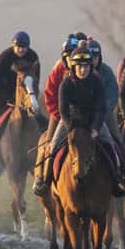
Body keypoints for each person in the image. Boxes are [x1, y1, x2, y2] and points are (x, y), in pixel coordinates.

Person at [32, 34, 79, 195]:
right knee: (49, 145)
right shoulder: (58, 69)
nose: (72, 57)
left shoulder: (85, 69)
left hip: (83, 118)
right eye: (69, 54)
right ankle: (42, 179)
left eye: (74, 53)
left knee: (107, 141)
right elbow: (49, 96)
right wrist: (60, 114)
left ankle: (118, 174)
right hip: (59, 115)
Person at [86, 37, 125, 190]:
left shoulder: (106, 71)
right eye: (90, 57)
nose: (93, 60)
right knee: (57, 142)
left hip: (105, 114)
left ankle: (124, 171)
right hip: (83, 117)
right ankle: (45, 176)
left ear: (100, 57)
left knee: (116, 139)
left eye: (96, 57)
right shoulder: (78, 72)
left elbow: (113, 94)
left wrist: (103, 111)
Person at [0, 31, 42, 133]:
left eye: (24, 47)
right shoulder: (4, 57)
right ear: (13, 45)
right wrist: (9, 97)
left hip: (26, 92)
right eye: (18, 46)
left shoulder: (33, 57)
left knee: (39, 114)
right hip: (4, 93)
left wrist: (32, 95)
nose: (21, 49)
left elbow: (36, 79)